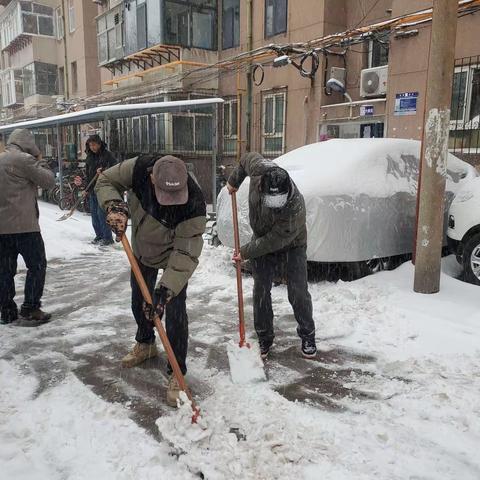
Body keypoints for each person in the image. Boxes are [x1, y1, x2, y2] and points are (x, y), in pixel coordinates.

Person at [95, 155, 206, 406]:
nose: (170, 202)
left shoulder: (194, 204)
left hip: (172, 256)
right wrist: (115, 206)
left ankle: (177, 371)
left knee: (175, 312)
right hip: (142, 250)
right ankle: (145, 344)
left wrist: (164, 292)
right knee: (139, 300)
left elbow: (186, 253)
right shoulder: (138, 169)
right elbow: (105, 180)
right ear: (152, 178)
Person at [227, 152, 317, 359]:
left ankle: (308, 334)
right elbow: (244, 160)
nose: (275, 205)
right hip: (261, 237)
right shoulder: (258, 168)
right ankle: (264, 338)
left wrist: (245, 251)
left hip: (292, 245)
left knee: (298, 291)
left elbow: (273, 241)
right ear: (261, 186)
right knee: (261, 290)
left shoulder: (295, 207)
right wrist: (234, 181)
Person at [0, 129, 55, 325]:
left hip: (2, 229)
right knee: (37, 266)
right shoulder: (23, 159)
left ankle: (6, 310)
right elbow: (48, 181)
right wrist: (40, 159)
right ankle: (30, 307)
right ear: (28, 143)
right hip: (25, 227)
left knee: (5, 270)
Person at [84, 135, 117, 246]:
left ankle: (107, 238)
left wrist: (104, 170)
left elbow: (115, 168)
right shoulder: (89, 156)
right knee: (94, 214)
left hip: (103, 188)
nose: (92, 147)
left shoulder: (107, 155)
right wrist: (86, 189)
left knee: (101, 213)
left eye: (94, 144)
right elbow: (88, 173)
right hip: (92, 188)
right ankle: (99, 235)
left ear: (99, 144)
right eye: (90, 145)